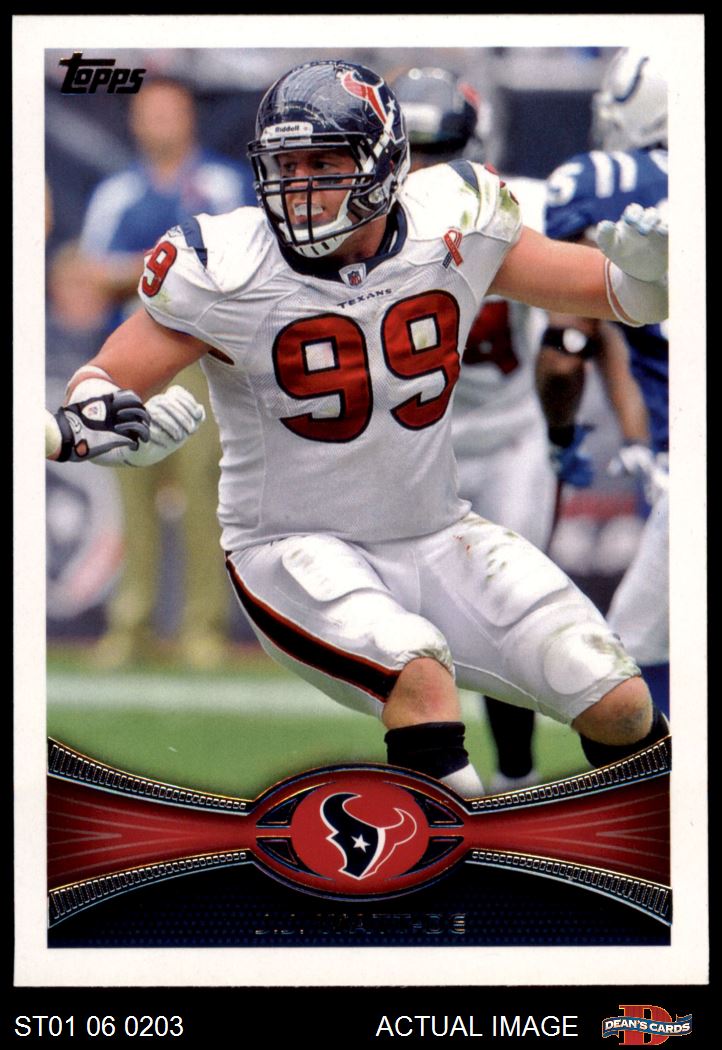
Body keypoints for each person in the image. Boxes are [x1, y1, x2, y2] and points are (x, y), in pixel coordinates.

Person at [50, 59, 670, 798]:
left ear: (383, 164)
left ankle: (654, 852)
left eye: (323, 164)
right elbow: (101, 381)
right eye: (287, 166)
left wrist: (654, 276)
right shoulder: (226, 263)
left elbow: (617, 296)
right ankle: (453, 868)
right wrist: (110, 421)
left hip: (434, 532)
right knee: (417, 674)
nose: (300, 186)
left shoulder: (456, 218)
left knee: (618, 699)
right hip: (290, 548)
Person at [391, 66, 557, 791]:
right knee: (415, 628)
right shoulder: (363, 224)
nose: (423, 171)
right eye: (412, 153)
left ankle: (516, 778)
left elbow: (582, 305)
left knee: (506, 613)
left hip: (513, 437)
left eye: (440, 151)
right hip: (420, 449)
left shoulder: (520, 206)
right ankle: (444, 783)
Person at [77, 76, 253, 669]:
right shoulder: (118, 192)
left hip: (201, 356)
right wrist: (167, 267)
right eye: (150, 113)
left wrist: (149, 269)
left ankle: (203, 627)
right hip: (129, 356)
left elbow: (245, 266)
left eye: (170, 112)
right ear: (134, 121)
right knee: (132, 489)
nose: (161, 124)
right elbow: (92, 273)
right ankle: (131, 624)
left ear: (189, 118)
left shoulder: (223, 182)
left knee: (204, 489)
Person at [540, 48, 670, 715]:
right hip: (669, 446)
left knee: (624, 679)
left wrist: (561, 433)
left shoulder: (603, 181)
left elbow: (571, 344)